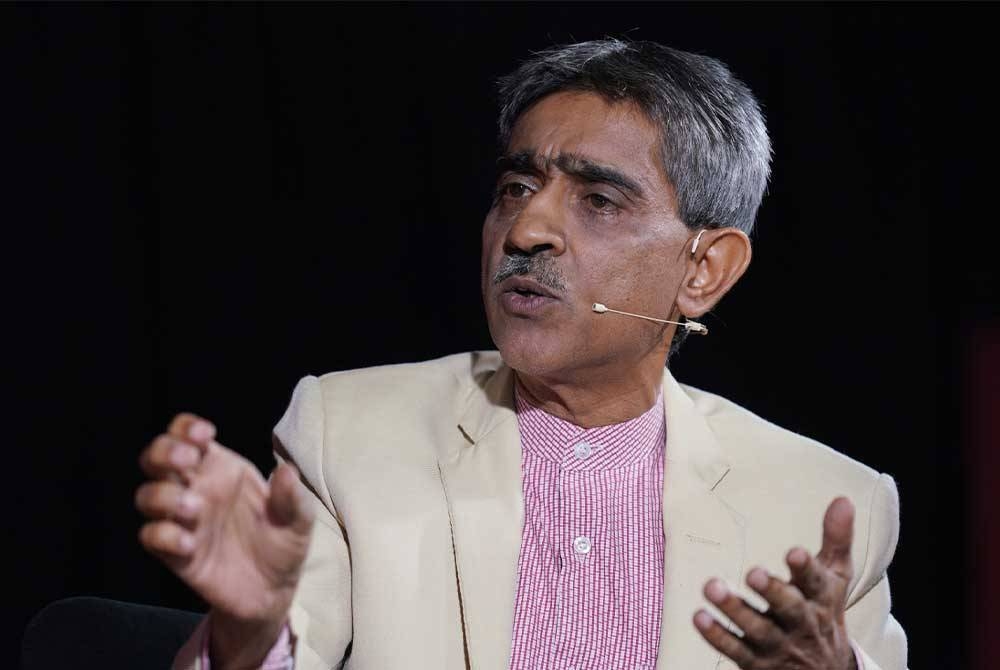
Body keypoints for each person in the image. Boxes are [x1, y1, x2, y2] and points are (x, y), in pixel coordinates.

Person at [135, 39, 907, 670]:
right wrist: (251, 634)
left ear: (705, 270)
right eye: (515, 188)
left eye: (598, 201)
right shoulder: (349, 430)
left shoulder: (826, 508)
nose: (527, 230)